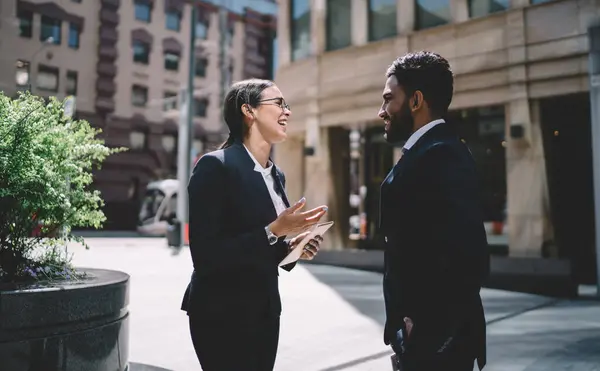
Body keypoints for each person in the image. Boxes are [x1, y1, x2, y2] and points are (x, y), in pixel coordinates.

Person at [181, 79, 328, 371]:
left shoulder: (277, 175)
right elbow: (206, 256)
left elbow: (270, 254)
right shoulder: (215, 166)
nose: (286, 112)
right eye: (278, 103)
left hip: (265, 312)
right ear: (249, 110)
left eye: (287, 105)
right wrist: (274, 230)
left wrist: (296, 248)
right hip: (221, 313)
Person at [377, 51, 490, 371]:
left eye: (388, 99)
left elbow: (469, 258)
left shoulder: (441, 153)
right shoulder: (426, 150)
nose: (381, 111)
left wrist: (425, 333)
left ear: (415, 101)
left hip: (439, 346)